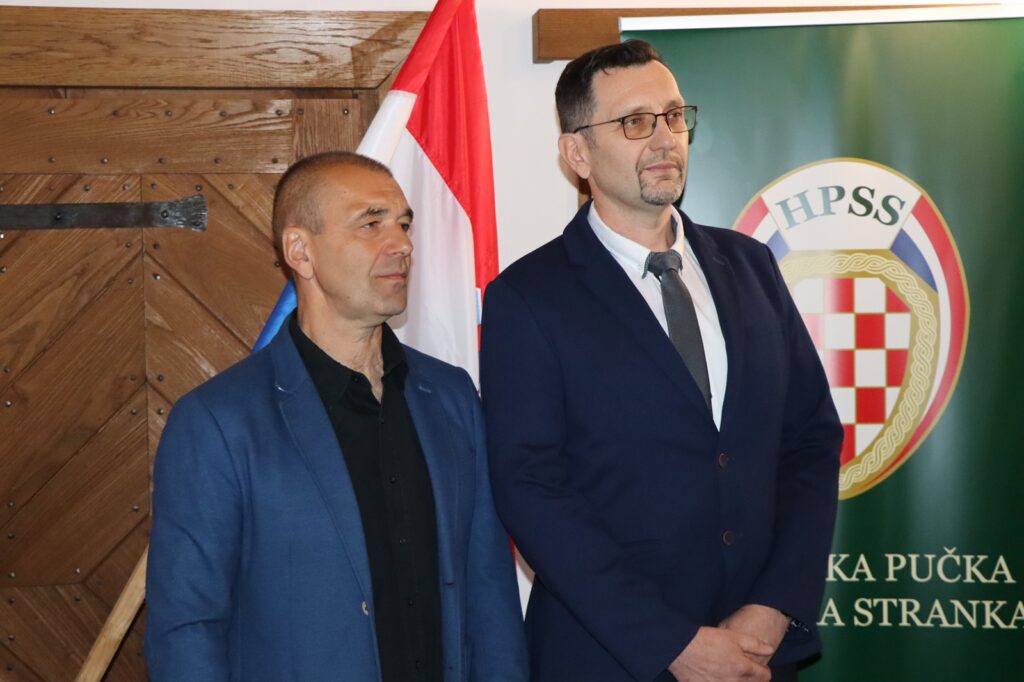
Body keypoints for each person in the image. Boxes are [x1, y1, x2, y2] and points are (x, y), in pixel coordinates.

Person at [480, 40, 841, 682]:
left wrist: (774, 606)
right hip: (610, 658)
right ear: (577, 153)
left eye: (674, 116)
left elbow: (810, 441)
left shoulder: (752, 266)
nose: (665, 138)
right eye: (635, 122)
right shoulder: (528, 298)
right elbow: (531, 488)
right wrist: (672, 642)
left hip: (756, 654)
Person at [146, 151, 527, 682]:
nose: (402, 244)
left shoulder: (451, 396)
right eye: (371, 224)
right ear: (300, 251)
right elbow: (187, 629)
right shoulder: (217, 423)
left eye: (404, 224)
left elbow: (489, 593)